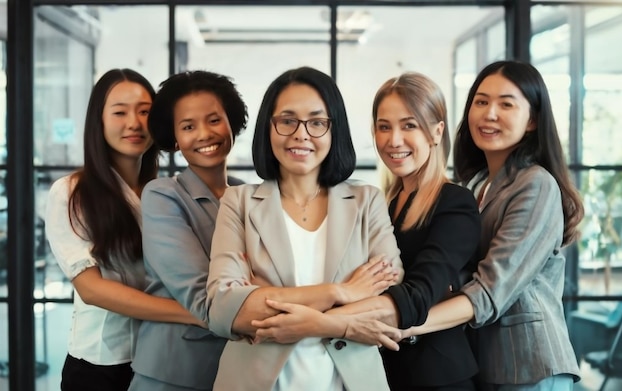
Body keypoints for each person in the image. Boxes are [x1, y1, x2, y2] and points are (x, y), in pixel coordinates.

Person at [252, 72, 482, 391]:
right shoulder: (382, 204)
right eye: (384, 126)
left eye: (409, 125)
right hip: (380, 370)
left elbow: (417, 296)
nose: (394, 139)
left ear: (436, 132)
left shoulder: (455, 203)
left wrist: (313, 321)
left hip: (436, 376)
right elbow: (359, 287)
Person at [205, 66, 403, 391]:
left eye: (317, 122)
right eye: (287, 120)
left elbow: (390, 307)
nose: (301, 134)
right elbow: (224, 308)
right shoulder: (238, 202)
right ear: (268, 128)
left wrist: (308, 319)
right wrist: (341, 292)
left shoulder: (367, 202)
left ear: (333, 129)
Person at [397, 60, 585, 390]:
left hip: (531, 365)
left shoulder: (536, 184)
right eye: (481, 102)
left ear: (532, 120)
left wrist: (404, 325)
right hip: (484, 363)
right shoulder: (472, 186)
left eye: (506, 104)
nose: (490, 114)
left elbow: (490, 290)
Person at [45, 69, 202, 391]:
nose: (133, 122)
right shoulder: (71, 192)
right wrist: (199, 315)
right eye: (119, 112)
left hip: (165, 356)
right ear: (98, 121)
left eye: (144, 111)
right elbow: (93, 289)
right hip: (102, 366)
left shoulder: (166, 192)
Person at [127, 70, 248, 390]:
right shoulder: (163, 195)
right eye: (188, 126)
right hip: (173, 373)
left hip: (240, 368)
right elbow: (201, 297)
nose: (205, 134)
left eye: (214, 120)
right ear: (175, 139)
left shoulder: (250, 196)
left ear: (231, 122)